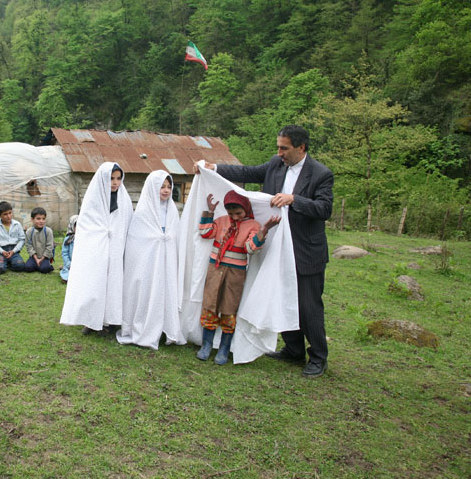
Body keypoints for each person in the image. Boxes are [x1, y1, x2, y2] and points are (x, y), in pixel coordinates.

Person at [197, 124, 333, 377]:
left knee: (308, 304)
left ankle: (318, 357)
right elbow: (248, 171)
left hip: (305, 250)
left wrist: (294, 200)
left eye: (285, 148)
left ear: (301, 148)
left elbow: (325, 209)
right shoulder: (275, 164)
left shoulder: (320, 174)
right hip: (275, 247)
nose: (279, 152)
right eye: (278, 147)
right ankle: (293, 350)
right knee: (280, 294)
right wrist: (213, 168)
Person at [195, 191, 280, 364]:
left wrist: (265, 229)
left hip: (235, 274)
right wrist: (210, 212)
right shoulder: (221, 221)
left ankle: (224, 349)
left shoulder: (253, 225)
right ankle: (206, 345)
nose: (234, 217)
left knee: (229, 308)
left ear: (246, 209)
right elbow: (205, 233)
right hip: (215, 269)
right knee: (210, 305)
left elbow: (251, 248)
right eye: (231, 213)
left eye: (238, 213)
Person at [60, 162, 133, 335]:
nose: (115, 183)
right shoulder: (93, 199)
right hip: (97, 249)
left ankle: (110, 320)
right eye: (111, 179)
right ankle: (91, 319)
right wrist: (100, 236)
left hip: (115, 249)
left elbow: (126, 223)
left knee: (113, 283)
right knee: (94, 282)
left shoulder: (125, 200)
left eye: (118, 179)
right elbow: (87, 226)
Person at [116, 171, 186, 350]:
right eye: (162, 186)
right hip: (146, 264)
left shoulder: (172, 211)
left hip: (165, 263)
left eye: (169, 187)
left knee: (164, 291)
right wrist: (156, 239)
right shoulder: (143, 212)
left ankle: (165, 328)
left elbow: (174, 236)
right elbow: (136, 241)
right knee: (146, 291)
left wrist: (166, 240)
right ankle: (142, 326)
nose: (166, 190)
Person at [0, 201, 26, 274]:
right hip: (0, 251)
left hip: (14, 251)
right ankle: (1, 263)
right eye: (5, 214)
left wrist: (14, 251)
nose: (9, 216)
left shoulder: (17, 224)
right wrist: (2, 251)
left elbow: (22, 240)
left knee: (20, 266)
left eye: (10, 213)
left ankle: (8, 263)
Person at [24, 207, 55, 273]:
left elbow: (50, 246)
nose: (41, 221)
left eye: (43, 219)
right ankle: (37, 265)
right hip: (34, 257)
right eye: (38, 219)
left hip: (45, 257)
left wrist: (42, 258)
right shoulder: (29, 231)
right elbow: (28, 246)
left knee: (44, 269)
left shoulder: (48, 231)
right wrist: (35, 258)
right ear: (32, 219)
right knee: (27, 267)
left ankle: (45, 265)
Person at [60, 215, 78, 283]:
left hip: (81, 264)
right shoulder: (68, 239)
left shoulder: (85, 239)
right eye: (77, 226)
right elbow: (64, 253)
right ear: (72, 226)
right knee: (67, 278)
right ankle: (64, 269)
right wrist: (69, 264)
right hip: (70, 264)